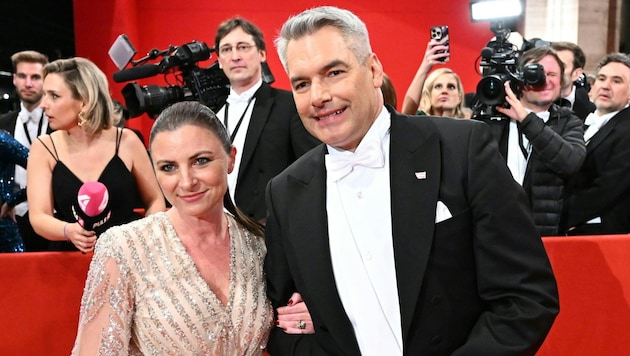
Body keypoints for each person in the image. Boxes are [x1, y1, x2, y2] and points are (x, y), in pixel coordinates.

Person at [264, 6, 559, 355]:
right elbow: (280, 324)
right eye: (301, 83)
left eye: (334, 72)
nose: (318, 96)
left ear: (373, 69)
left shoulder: (461, 149)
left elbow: (526, 298)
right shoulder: (285, 192)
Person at [71, 101, 310, 354]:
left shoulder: (260, 245)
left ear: (230, 159)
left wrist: (307, 316)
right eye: (168, 167)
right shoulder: (124, 247)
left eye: (201, 161)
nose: (186, 182)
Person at [26, 57, 166, 252]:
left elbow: (155, 200)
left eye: (54, 96)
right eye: (44, 95)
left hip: (129, 255)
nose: (43, 104)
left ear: (84, 100)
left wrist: (145, 238)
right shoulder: (44, 148)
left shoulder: (127, 141)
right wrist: (68, 231)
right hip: (71, 262)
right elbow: (39, 217)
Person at [213, 17, 320, 223]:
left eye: (243, 47)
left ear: (262, 54)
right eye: (226, 49)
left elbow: (312, 170)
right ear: (219, 60)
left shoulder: (289, 105)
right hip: (219, 227)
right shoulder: (210, 113)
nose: (235, 56)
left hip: (272, 228)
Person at [483, 46, 586, 236]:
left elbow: (570, 162)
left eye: (552, 73)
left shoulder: (569, 122)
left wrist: (526, 119)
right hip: (495, 232)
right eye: (535, 72)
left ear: (562, 80)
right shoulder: (494, 121)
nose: (544, 80)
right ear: (518, 78)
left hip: (542, 236)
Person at [561, 52, 630, 235]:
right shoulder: (582, 123)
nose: (606, 86)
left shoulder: (627, 130)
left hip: (600, 235)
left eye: (617, 81)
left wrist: (560, 218)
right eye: (602, 78)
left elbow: (606, 189)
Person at [0, 50, 50, 251]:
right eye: (22, 76)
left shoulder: (61, 123)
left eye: (35, 77)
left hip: (55, 217)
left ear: (46, 81)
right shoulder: (3, 124)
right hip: (12, 219)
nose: (28, 84)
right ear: (14, 79)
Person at [401, 39, 468, 118]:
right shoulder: (420, 121)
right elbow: (406, 115)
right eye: (438, 86)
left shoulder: (470, 125)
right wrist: (425, 67)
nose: (444, 91)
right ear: (429, 95)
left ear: (459, 97)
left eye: (451, 87)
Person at [551, 41, 596, 121]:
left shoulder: (593, 112)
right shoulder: (529, 103)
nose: (552, 71)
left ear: (576, 74)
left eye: (561, 66)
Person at [0, 130, 29, 252]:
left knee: (18, 269)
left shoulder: (2, 140)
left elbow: (41, 168)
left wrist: (12, 200)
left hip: (3, 230)